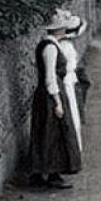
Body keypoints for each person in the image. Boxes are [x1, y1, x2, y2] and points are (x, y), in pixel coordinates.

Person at [28, 10, 82, 189]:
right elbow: (50, 77)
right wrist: (57, 102)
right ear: (58, 30)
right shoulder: (50, 48)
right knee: (51, 133)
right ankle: (47, 173)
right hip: (50, 95)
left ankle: (47, 172)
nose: (65, 30)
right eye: (63, 27)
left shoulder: (51, 44)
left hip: (49, 94)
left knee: (49, 132)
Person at [61, 15, 88, 155]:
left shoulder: (63, 45)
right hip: (68, 83)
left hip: (69, 81)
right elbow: (70, 66)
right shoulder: (67, 47)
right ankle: (72, 149)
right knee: (72, 115)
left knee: (73, 114)